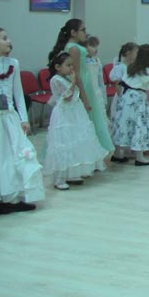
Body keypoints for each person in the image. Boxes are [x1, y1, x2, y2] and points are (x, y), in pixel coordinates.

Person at [0, 27, 44, 217]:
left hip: (9, 115)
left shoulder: (13, 64)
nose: (9, 41)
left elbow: (18, 93)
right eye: (4, 38)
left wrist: (24, 118)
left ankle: (12, 197)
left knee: (13, 155)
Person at [49, 19, 114, 155]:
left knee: (90, 118)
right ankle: (91, 152)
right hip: (83, 85)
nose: (85, 33)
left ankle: (92, 152)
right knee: (89, 118)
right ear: (73, 32)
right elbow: (76, 73)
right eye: (83, 30)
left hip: (85, 82)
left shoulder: (74, 46)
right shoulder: (74, 48)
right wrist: (85, 98)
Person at [44, 52, 108, 190]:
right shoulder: (56, 80)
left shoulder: (65, 78)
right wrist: (74, 82)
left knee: (75, 141)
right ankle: (60, 178)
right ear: (58, 67)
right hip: (64, 115)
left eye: (72, 65)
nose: (71, 68)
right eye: (68, 65)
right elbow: (67, 96)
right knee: (64, 143)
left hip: (74, 113)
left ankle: (72, 173)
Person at [109, 42, 138, 120]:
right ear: (129, 53)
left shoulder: (132, 67)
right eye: (136, 52)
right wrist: (121, 98)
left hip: (132, 96)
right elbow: (118, 85)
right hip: (123, 96)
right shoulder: (120, 67)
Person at [84, 36, 107, 113]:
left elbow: (101, 81)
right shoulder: (82, 62)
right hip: (87, 92)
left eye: (96, 46)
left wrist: (104, 98)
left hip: (97, 92)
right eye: (92, 46)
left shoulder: (97, 61)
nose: (96, 49)